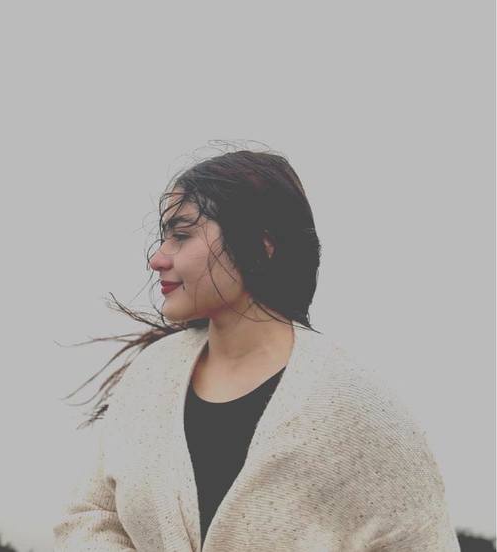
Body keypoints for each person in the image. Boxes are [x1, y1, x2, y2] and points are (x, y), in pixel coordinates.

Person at [53, 145, 460, 551]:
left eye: (181, 235)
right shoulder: (150, 376)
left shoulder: (352, 404)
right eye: (164, 237)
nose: (158, 258)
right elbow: (91, 515)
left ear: (262, 244)